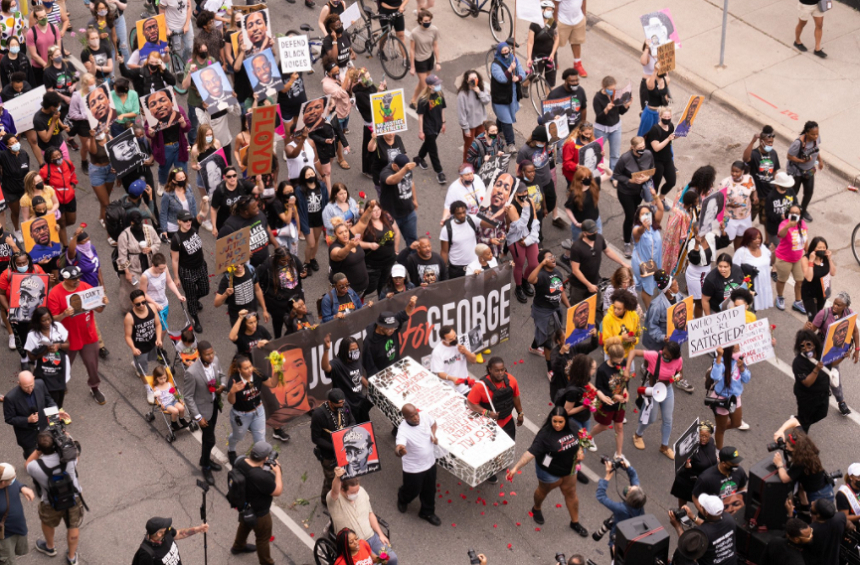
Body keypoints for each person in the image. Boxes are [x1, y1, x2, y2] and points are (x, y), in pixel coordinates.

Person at [505, 406, 588, 536]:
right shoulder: (545, 435)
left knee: (571, 493)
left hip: (569, 469)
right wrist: (516, 468)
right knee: (543, 491)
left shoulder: (572, 426)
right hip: (549, 472)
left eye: (561, 421)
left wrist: (580, 451)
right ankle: (536, 508)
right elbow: (530, 453)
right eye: (555, 421)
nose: (557, 425)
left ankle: (575, 522)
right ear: (550, 419)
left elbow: (581, 439)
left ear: (566, 420)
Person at [47, 266, 109, 404]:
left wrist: (103, 304)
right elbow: (52, 319)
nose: (77, 281)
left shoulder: (85, 286)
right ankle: (61, 383)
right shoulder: (55, 294)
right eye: (74, 279)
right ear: (65, 279)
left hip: (88, 334)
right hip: (67, 338)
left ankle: (94, 387)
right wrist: (64, 314)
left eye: (78, 277)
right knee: (64, 364)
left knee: (92, 364)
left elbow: (98, 310)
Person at [25, 430, 84, 564]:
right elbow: (76, 456)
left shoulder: (35, 467)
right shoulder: (70, 457)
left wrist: (38, 451)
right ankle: (72, 557)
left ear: (40, 447)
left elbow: (27, 464)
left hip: (51, 502)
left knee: (47, 522)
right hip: (73, 498)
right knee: (73, 525)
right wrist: (68, 437)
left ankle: (50, 547)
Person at [467, 357, 524, 483]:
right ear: (489, 370)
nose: (500, 373)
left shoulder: (511, 380)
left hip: (507, 420)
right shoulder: (480, 387)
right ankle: (489, 472)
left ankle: (502, 463)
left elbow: (515, 397)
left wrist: (520, 413)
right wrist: (486, 412)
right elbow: (470, 403)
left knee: (508, 445)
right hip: (489, 425)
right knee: (489, 450)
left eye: (502, 370)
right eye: (496, 370)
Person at [328, 468, 398, 565]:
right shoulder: (335, 501)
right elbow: (334, 491)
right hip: (356, 544)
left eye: (357, 490)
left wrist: (380, 534)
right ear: (342, 490)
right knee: (376, 562)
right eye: (352, 493)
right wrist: (337, 477)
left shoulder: (361, 492)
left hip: (372, 537)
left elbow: (370, 514)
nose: (356, 494)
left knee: (392, 558)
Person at [627, 340, 683, 458]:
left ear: (675, 356)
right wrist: (627, 369)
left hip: (667, 390)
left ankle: (664, 446)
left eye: (668, 355)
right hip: (652, 390)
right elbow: (633, 352)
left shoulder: (678, 360)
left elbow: (680, 372)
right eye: (664, 353)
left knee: (668, 419)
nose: (665, 356)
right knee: (650, 418)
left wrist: (677, 377)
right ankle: (637, 435)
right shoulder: (654, 355)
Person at [806, 291, 858, 416]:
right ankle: (826, 394)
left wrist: (857, 350)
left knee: (834, 374)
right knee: (821, 373)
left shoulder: (849, 314)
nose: (835, 306)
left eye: (839, 305)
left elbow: (855, 332)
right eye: (834, 303)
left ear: (845, 307)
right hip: (821, 349)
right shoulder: (823, 314)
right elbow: (811, 331)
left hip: (836, 350)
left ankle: (841, 402)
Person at [230, 441, 282, 565]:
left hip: (244, 505)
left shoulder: (240, 461)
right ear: (264, 458)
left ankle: (238, 546)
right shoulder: (263, 477)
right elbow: (277, 491)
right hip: (260, 513)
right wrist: (278, 472)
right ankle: (266, 563)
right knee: (263, 539)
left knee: (244, 525)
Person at [225, 355, 277, 464]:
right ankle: (231, 449)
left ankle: (259, 463)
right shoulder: (234, 380)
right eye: (246, 368)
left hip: (258, 411)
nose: (250, 370)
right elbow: (232, 402)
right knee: (238, 436)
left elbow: (272, 383)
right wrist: (232, 392)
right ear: (239, 370)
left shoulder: (257, 374)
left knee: (260, 440)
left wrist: (277, 370)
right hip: (241, 415)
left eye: (250, 366)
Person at [395, 403, 440, 526]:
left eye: (416, 414)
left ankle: (427, 512)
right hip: (414, 468)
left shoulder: (424, 416)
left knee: (430, 490)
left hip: (430, 463)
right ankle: (403, 497)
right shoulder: (403, 430)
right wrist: (400, 450)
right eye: (412, 416)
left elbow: (433, 423)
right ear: (405, 418)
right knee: (412, 490)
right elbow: (399, 447)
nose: (416, 417)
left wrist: (433, 435)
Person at [3, 371, 67, 458]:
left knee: (50, 453)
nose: (29, 390)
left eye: (31, 386)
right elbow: (9, 418)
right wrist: (27, 420)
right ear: (19, 383)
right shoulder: (10, 398)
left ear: (33, 379)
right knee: (31, 457)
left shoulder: (40, 384)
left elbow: (48, 400)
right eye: (26, 387)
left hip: (44, 429)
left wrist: (55, 413)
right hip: (27, 436)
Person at [528, 250, 571, 373]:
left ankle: (533, 347)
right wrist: (541, 265)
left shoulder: (557, 273)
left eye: (553, 256)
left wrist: (569, 306)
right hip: (543, 312)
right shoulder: (541, 275)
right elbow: (531, 280)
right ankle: (550, 370)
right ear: (543, 261)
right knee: (548, 340)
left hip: (555, 309)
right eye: (548, 258)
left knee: (548, 332)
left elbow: (560, 290)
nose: (552, 259)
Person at [311, 389, 356, 507]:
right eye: (338, 404)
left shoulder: (345, 406)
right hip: (329, 454)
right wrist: (335, 447)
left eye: (342, 403)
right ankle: (326, 500)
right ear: (330, 402)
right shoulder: (319, 415)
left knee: (346, 474)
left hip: (344, 450)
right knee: (331, 479)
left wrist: (347, 432)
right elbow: (315, 438)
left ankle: (341, 494)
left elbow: (352, 421)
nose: (341, 406)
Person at [612, 137, 654, 258]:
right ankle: (626, 243)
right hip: (625, 192)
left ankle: (629, 233)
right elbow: (616, 175)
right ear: (633, 147)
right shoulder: (625, 158)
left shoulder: (648, 154)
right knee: (630, 216)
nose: (642, 150)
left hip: (639, 191)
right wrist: (630, 180)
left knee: (635, 212)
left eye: (643, 147)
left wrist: (646, 178)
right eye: (639, 148)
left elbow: (651, 170)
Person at [24, 307, 70, 413]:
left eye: (49, 319)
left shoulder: (58, 327)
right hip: (45, 371)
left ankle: (59, 411)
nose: (47, 322)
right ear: (38, 321)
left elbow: (67, 344)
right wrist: (45, 351)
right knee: (50, 397)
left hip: (60, 369)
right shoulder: (32, 335)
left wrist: (59, 346)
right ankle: (53, 421)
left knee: (60, 393)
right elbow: (31, 357)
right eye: (43, 320)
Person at [669, 494, 737, 565]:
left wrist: (677, 526)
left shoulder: (703, 533)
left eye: (702, 507)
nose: (701, 506)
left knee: (681, 556)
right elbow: (711, 527)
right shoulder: (729, 519)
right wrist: (693, 518)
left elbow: (687, 547)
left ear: (706, 512)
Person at [772, 426, 833, 505]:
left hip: (819, 495)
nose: (785, 448)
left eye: (787, 446)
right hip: (825, 489)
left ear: (796, 449)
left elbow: (784, 478)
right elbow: (796, 422)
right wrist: (781, 431)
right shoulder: (809, 450)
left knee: (816, 516)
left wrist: (779, 463)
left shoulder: (800, 462)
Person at [596, 459, 646, 552]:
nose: (629, 486)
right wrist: (627, 468)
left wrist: (607, 476)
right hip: (634, 535)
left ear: (628, 497)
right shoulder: (639, 500)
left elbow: (601, 496)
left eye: (630, 489)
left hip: (619, 539)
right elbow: (634, 477)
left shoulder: (621, 509)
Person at [707, 346, 751, 450]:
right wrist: (719, 357)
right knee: (721, 430)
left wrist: (742, 368)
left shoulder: (740, 361)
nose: (739, 352)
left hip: (735, 398)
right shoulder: (721, 361)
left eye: (739, 348)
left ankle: (715, 429)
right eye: (736, 350)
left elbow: (747, 379)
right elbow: (715, 376)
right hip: (722, 399)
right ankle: (718, 451)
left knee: (737, 423)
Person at [361, 298, 418, 376]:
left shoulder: (392, 323)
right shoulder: (369, 343)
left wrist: (411, 305)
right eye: (389, 328)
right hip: (383, 377)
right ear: (380, 326)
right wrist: (383, 378)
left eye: (394, 327)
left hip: (397, 368)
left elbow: (406, 313)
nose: (392, 330)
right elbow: (370, 369)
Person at [671, 421, 718, 508]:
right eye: (701, 436)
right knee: (683, 497)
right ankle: (681, 513)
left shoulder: (711, 442)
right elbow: (681, 464)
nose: (703, 438)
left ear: (710, 436)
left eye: (706, 436)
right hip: (688, 480)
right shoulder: (690, 448)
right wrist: (687, 467)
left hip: (705, 481)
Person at [507, 181, 540, 304]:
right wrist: (525, 208)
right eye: (521, 192)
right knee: (519, 263)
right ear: (515, 193)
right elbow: (520, 226)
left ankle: (525, 280)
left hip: (529, 235)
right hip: (516, 238)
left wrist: (532, 236)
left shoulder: (530, 200)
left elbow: (535, 218)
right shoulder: (511, 206)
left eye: (525, 191)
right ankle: (518, 287)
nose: (524, 194)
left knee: (534, 264)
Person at [692, 446, 748, 519]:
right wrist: (708, 516)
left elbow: (741, 488)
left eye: (737, 462)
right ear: (723, 463)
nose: (737, 465)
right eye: (733, 463)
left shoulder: (739, 471)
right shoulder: (706, 478)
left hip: (733, 514)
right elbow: (695, 497)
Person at [489, 42, 525, 152]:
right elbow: (502, 78)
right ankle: (511, 144)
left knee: (504, 117)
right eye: (503, 51)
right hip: (500, 97)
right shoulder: (495, 65)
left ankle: (497, 132)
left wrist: (518, 78)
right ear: (500, 52)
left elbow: (523, 74)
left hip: (511, 96)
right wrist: (509, 70)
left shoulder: (514, 59)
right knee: (507, 120)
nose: (506, 53)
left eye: (507, 50)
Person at [791, 329, 829, 432]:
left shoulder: (822, 352)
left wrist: (843, 356)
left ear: (815, 343)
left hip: (823, 394)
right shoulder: (798, 363)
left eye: (809, 345)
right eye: (802, 346)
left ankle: (796, 421)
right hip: (807, 398)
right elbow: (807, 382)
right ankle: (799, 442)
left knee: (822, 414)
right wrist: (816, 369)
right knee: (805, 423)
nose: (807, 349)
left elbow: (832, 362)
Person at [132, 517, 209, 565]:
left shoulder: (166, 533)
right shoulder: (146, 554)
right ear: (159, 534)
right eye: (166, 527)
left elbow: (179, 533)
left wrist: (198, 529)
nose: (168, 527)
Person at [743, 125, 781, 223]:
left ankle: (767, 239)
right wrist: (752, 141)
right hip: (755, 195)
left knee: (766, 221)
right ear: (762, 141)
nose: (770, 144)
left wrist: (777, 189)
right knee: (748, 219)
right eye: (768, 142)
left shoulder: (773, 154)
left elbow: (775, 172)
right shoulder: (755, 154)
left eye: (772, 142)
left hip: (768, 194)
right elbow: (745, 158)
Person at [786, 121, 822, 222]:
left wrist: (820, 161)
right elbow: (789, 156)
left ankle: (803, 211)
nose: (815, 136)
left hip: (809, 170)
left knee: (809, 192)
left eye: (817, 134)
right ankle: (791, 211)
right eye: (813, 134)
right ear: (806, 133)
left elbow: (817, 149)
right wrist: (801, 161)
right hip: (796, 171)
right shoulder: (798, 143)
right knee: (793, 193)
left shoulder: (816, 138)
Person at [0, 462, 35, 565]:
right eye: (11, 479)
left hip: (18, 528)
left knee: (15, 553)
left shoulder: (6, 480)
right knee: (7, 561)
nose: (14, 480)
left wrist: (22, 487)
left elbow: (15, 482)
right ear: (2, 483)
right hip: (4, 535)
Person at [631, 199, 664, 309]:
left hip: (655, 262)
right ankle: (649, 311)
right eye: (642, 214)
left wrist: (655, 195)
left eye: (647, 213)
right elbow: (637, 232)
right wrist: (642, 227)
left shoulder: (655, 225)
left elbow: (661, 208)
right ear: (638, 217)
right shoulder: (637, 228)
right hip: (644, 264)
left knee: (649, 284)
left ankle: (634, 285)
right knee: (648, 288)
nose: (645, 216)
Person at [414, 74, 447, 185]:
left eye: (438, 83)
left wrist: (443, 122)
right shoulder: (423, 100)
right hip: (428, 128)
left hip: (437, 126)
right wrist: (420, 131)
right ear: (429, 86)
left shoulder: (440, 95)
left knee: (429, 144)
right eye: (436, 84)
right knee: (433, 150)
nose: (438, 86)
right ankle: (439, 172)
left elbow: (442, 109)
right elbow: (420, 116)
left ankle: (419, 158)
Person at [731, 228, 773, 312]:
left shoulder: (763, 248)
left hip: (763, 284)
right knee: (749, 309)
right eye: (755, 238)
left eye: (759, 238)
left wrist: (774, 253)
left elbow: (770, 262)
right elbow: (734, 269)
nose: (758, 240)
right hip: (750, 286)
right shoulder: (742, 252)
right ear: (748, 239)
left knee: (753, 311)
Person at [594, 77, 631, 170]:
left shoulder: (615, 95)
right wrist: (606, 109)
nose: (612, 91)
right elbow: (599, 117)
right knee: (597, 152)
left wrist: (626, 106)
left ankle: (613, 176)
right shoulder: (597, 98)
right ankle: (596, 172)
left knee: (615, 155)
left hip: (615, 128)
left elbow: (620, 111)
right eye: (610, 89)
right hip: (601, 129)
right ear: (604, 87)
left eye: (613, 89)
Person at [124, 289, 162, 376]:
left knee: (150, 358)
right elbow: (127, 336)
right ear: (132, 303)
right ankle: (147, 386)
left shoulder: (152, 307)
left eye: (143, 302)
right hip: (140, 348)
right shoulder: (129, 318)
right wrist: (133, 348)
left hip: (152, 341)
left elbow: (158, 325)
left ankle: (136, 363)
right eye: (138, 304)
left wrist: (159, 338)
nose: (141, 305)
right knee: (143, 371)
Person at [456, 71, 491, 164]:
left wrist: (479, 92)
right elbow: (461, 114)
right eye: (471, 79)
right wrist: (465, 128)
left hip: (481, 123)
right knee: (469, 147)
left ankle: (481, 161)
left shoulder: (480, 88)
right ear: (467, 81)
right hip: (470, 125)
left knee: (483, 143)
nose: (474, 80)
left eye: (475, 78)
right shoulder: (462, 95)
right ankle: (466, 165)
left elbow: (487, 100)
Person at [800, 236, 835, 322]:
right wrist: (811, 261)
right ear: (813, 248)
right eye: (819, 247)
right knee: (813, 320)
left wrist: (830, 259)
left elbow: (833, 272)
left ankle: (805, 334)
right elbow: (809, 277)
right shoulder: (806, 259)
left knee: (817, 319)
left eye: (824, 247)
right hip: (809, 293)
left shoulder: (825, 258)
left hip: (822, 292)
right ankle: (804, 335)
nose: (822, 250)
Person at [600, 289, 640, 359]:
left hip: (628, 354)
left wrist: (634, 340)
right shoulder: (607, 319)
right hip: (612, 355)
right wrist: (621, 338)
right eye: (614, 307)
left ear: (625, 309)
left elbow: (637, 332)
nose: (615, 310)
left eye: (619, 309)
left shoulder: (633, 315)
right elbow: (606, 341)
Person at [552, 0, 587, 76]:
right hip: (562, 21)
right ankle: (552, 59)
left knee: (576, 42)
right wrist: (555, 22)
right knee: (555, 43)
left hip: (578, 20)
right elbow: (555, 4)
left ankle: (577, 63)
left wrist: (584, 13)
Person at [807, 499, 847, 565]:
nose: (812, 502)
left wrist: (790, 515)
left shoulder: (811, 530)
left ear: (818, 515)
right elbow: (849, 525)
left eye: (814, 505)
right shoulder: (840, 518)